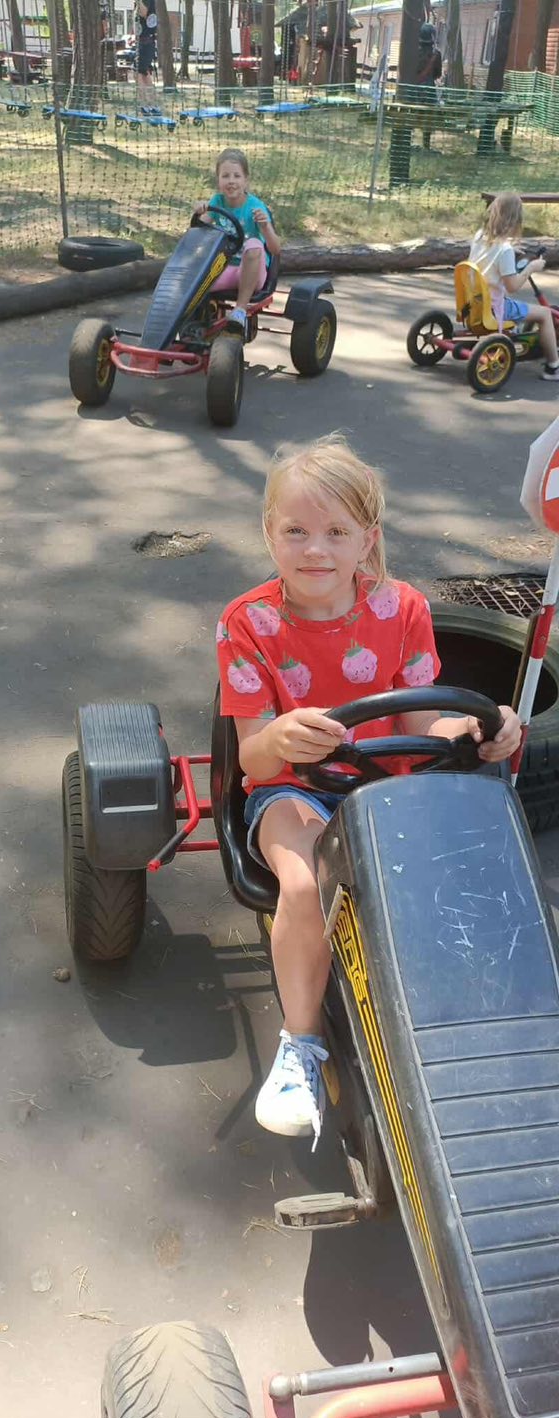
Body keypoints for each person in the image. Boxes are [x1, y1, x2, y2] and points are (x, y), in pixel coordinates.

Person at [216, 434, 522, 1146]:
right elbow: (251, 757)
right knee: (304, 883)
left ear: (367, 540)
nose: (315, 550)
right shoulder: (248, 623)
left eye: (335, 533)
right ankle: (300, 1044)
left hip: (386, 782)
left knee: (460, 879)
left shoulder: (401, 608)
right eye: (296, 531)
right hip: (292, 790)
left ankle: (467, 1022)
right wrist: (281, 736)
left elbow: (422, 723)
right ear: (269, 532)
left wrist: (481, 726)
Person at [470, 191, 559, 380]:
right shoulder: (505, 251)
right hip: (494, 308)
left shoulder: (479, 236)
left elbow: (493, 255)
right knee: (545, 314)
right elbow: (513, 286)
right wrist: (531, 268)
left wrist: (511, 251)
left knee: (522, 308)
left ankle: (518, 333)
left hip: (474, 303)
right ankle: (553, 367)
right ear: (515, 220)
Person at [193, 148, 282, 336]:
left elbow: (275, 249)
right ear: (218, 180)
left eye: (237, 176)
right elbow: (197, 232)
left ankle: (240, 310)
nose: (231, 181)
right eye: (225, 176)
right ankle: (195, 319)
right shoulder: (217, 202)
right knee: (192, 283)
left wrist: (265, 227)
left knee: (254, 245)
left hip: (251, 273)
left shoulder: (255, 207)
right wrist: (200, 213)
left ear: (245, 180)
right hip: (224, 268)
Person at [415, 21, 442, 150]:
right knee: (428, 118)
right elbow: (437, 74)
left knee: (411, 116)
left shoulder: (412, 51)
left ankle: (406, 140)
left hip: (413, 89)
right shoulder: (436, 54)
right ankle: (426, 144)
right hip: (429, 89)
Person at [135, 0, 158, 104]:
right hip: (143, 42)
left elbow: (144, 13)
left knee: (138, 72)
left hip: (146, 42)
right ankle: (152, 102)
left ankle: (144, 102)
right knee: (144, 72)